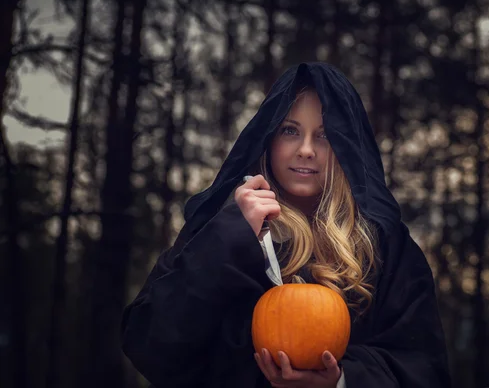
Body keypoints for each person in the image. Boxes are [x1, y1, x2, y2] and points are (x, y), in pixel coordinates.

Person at [121, 62, 452, 388]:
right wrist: (227, 238)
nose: (306, 150)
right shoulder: (219, 227)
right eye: (290, 130)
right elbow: (150, 347)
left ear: (346, 147)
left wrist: (341, 381)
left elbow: (424, 369)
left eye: (324, 135)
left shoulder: (384, 245)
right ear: (269, 138)